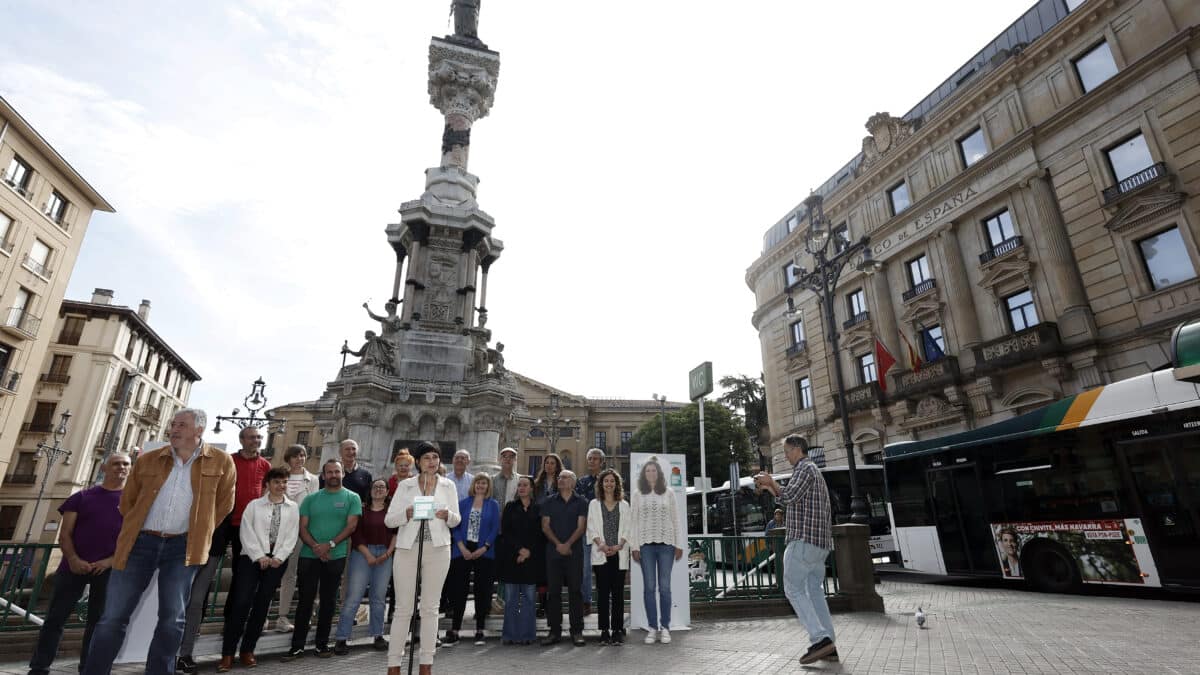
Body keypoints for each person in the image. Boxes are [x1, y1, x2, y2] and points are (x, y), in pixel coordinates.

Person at [82, 409, 236, 675]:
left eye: (182, 425)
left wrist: (199, 530)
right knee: (112, 618)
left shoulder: (222, 462)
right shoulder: (149, 459)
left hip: (184, 548)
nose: (174, 429)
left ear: (199, 430)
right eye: (173, 424)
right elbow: (128, 501)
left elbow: (223, 505)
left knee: (172, 619)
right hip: (139, 544)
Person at [177, 425, 270, 672]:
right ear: (242, 440)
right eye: (252, 437)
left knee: (242, 579)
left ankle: (231, 621)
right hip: (222, 521)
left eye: (259, 438)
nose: (256, 441)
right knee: (207, 569)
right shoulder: (227, 460)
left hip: (247, 527)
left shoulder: (265, 465)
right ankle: (199, 617)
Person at [28, 453, 129, 675]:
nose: (121, 467)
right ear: (104, 467)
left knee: (98, 624)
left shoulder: (133, 503)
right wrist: (73, 559)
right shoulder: (81, 497)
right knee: (55, 619)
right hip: (72, 567)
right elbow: (65, 534)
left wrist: (110, 561)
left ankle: (89, 670)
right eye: (116, 463)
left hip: (108, 569)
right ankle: (39, 668)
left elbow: (132, 539)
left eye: (126, 464)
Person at [755, 435, 837, 665]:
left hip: (803, 540)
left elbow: (789, 495)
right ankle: (829, 646)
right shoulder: (813, 471)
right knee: (814, 592)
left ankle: (820, 639)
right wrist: (771, 487)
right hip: (819, 545)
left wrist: (771, 482)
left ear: (798, 449)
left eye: (787, 451)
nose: (786, 456)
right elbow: (791, 498)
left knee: (792, 588)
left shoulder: (804, 468)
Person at [385, 441, 461, 675]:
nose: (432, 462)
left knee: (430, 607)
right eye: (427, 457)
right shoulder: (405, 485)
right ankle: (394, 665)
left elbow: (456, 519)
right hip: (408, 547)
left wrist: (447, 515)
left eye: (435, 458)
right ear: (418, 462)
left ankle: (426, 665)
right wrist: (405, 514)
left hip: (438, 548)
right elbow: (389, 520)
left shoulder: (448, 485)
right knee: (403, 608)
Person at [219, 467, 300, 671]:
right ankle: (227, 654)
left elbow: (292, 535)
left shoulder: (293, 508)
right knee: (241, 603)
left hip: (277, 563)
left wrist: (279, 557)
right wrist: (259, 556)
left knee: (262, 605)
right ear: (267, 484)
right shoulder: (254, 506)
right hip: (251, 560)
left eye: (284, 482)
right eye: (276, 482)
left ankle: (248, 650)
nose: (281, 486)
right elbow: (246, 532)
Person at [283, 459, 363, 660]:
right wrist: (316, 547)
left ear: (342, 474)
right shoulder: (311, 499)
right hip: (309, 556)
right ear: (324, 475)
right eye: (329, 472)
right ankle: (297, 646)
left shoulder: (352, 498)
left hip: (336, 555)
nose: (334, 475)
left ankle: (321, 644)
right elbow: (302, 527)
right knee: (305, 602)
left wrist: (330, 545)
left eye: (337, 471)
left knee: (328, 602)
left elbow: (351, 526)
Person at [334, 479, 397, 654]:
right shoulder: (361, 510)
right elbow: (356, 534)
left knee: (379, 597)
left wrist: (387, 554)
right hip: (362, 554)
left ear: (387, 491)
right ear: (370, 491)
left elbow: (395, 534)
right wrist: (368, 554)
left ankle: (377, 635)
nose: (378, 490)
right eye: (375, 487)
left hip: (385, 554)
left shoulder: (391, 512)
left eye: (382, 487)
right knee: (353, 596)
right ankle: (341, 638)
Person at [629, 455, 682, 646]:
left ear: (659, 473)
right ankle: (652, 628)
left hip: (667, 545)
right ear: (644, 474)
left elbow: (676, 520)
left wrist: (679, 544)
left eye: (654, 470)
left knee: (665, 588)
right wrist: (634, 547)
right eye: (647, 470)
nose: (651, 473)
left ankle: (665, 627)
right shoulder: (637, 494)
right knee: (649, 588)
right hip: (645, 546)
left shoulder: (668, 493)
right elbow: (633, 522)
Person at [445, 473, 500, 646]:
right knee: (459, 590)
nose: (480, 486)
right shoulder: (463, 503)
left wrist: (485, 547)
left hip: (484, 551)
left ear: (488, 486)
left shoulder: (493, 505)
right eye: (478, 483)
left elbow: (495, 528)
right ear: (473, 485)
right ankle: (455, 630)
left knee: (482, 591)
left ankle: (480, 629)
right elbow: (455, 525)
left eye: (484, 483)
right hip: (462, 551)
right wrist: (461, 547)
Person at [274, 444, 321, 633]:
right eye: (295, 456)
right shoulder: (280, 477)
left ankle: (307, 614)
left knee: (305, 573)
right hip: (282, 531)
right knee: (284, 574)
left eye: (302, 455)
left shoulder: (313, 480)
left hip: (304, 531)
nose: (299, 459)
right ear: (288, 458)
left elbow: (314, 506)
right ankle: (281, 616)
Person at [539, 470, 588, 647]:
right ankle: (554, 631)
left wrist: (567, 544)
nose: (560, 480)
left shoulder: (581, 501)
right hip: (553, 553)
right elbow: (545, 526)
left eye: (565, 477)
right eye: (559, 478)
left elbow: (581, 527)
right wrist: (559, 545)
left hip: (574, 554)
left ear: (573, 482)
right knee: (553, 593)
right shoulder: (548, 501)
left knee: (576, 591)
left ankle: (577, 631)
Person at [587, 468, 630, 646]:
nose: (609, 484)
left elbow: (628, 528)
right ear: (601, 484)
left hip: (619, 553)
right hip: (601, 554)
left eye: (612, 481)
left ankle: (617, 630)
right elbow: (591, 527)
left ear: (617, 484)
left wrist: (619, 545)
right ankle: (604, 630)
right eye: (606, 481)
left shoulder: (624, 505)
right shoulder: (594, 504)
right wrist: (602, 545)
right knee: (603, 594)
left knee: (618, 594)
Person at [497, 476, 542, 645]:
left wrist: (528, 551)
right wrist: (519, 550)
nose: (521, 487)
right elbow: (506, 533)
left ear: (531, 488)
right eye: (519, 485)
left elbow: (539, 534)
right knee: (511, 600)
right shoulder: (510, 507)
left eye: (525, 485)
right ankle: (509, 635)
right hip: (512, 559)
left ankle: (527, 635)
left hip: (531, 560)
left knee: (530, 600)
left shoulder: (538, 508)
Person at [575, 447, 605, 615]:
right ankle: (586, 602)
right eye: (590, 459)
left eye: (595, 459)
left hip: (605, 530)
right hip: (587, 530)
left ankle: (603, 602)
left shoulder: (608, 479)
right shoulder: (581, 481)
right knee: (585, 570)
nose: (592, 461)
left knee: (604, 569)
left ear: (601, 462)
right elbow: (580, 503)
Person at [322, 439, 373, 504]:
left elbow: (368, 499)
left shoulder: (366, 475)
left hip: (355, 512)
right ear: (340, 452)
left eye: (353, 449)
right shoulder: (329, 472)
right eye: (347, 449)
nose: (351, 452)